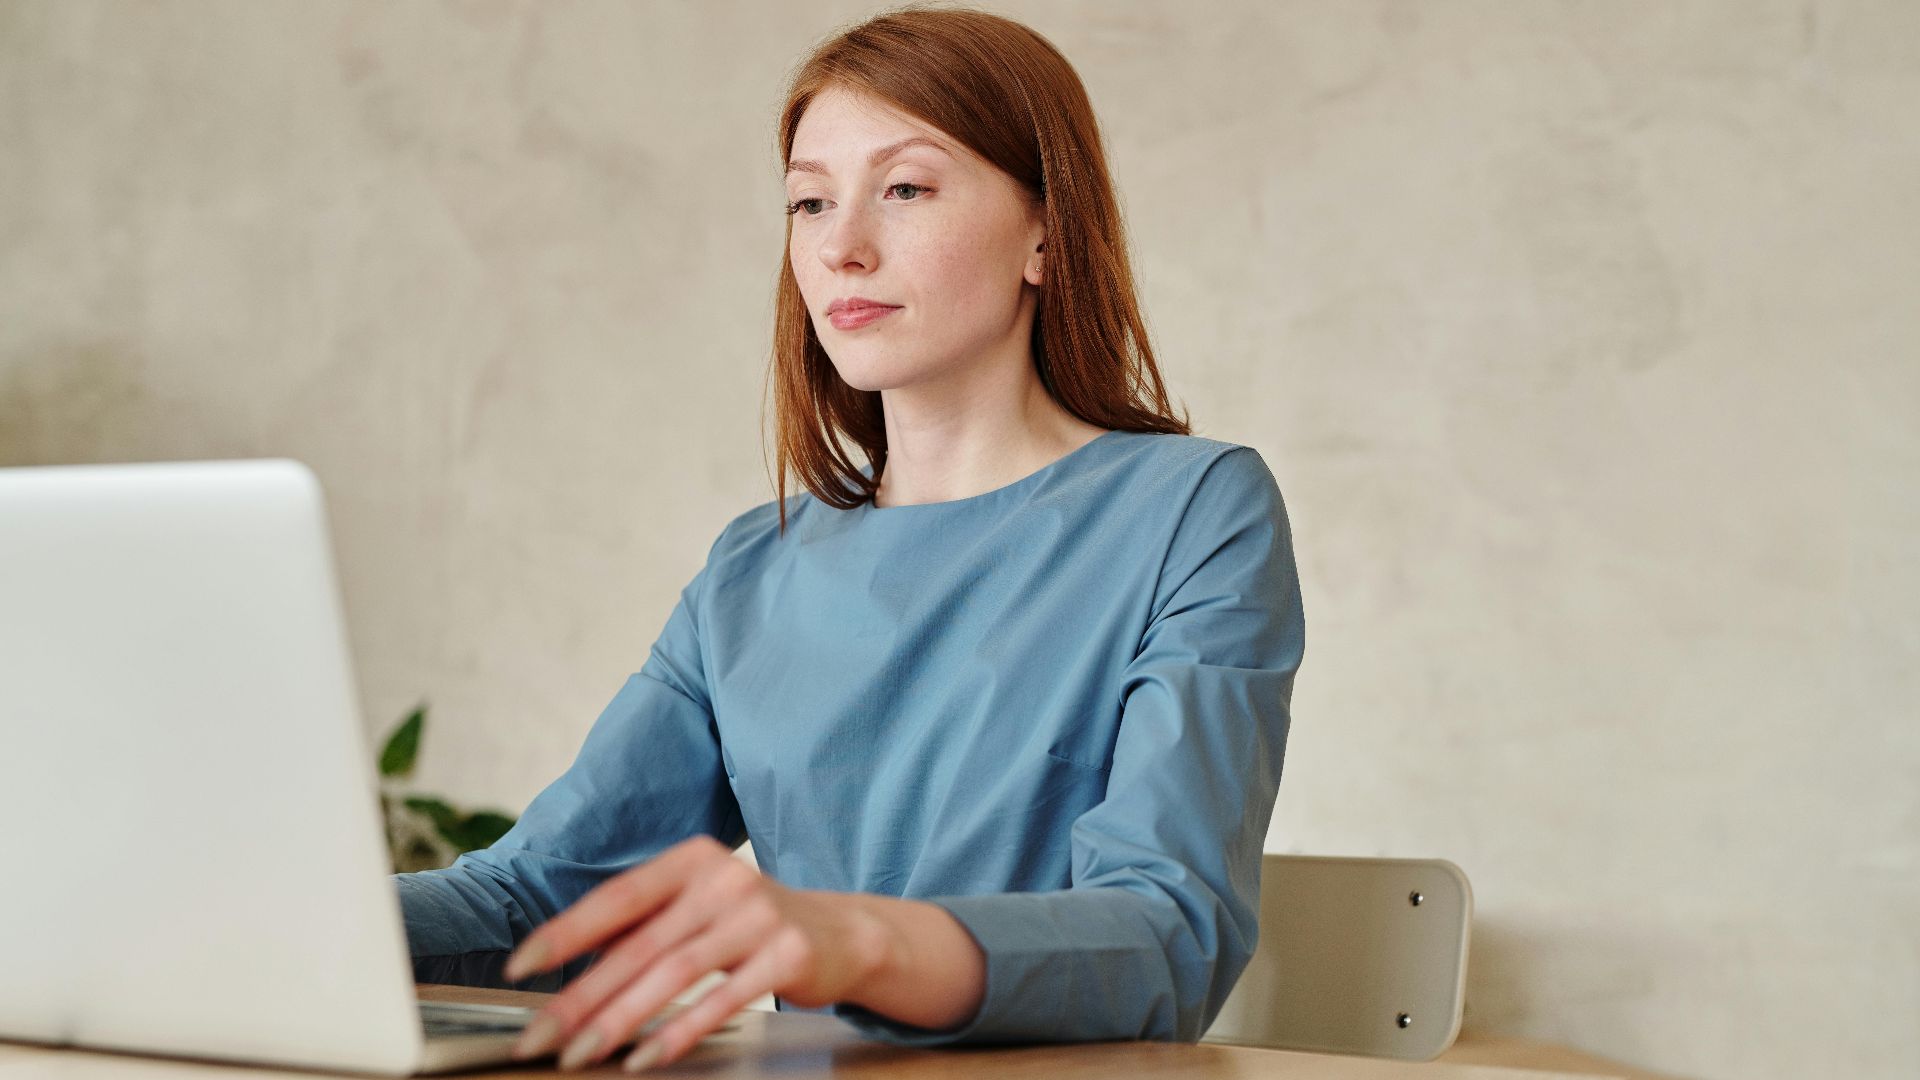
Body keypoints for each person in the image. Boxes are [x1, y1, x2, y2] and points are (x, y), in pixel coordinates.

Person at [394, 6, 1304, 1073]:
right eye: (809, 200)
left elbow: (1168, 934)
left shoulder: (1193, 510)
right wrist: (256, 909)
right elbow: (539, 900)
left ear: (1047, 235)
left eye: (905, 188)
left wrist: (854, 939)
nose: (840, 245)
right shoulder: (753, 567)